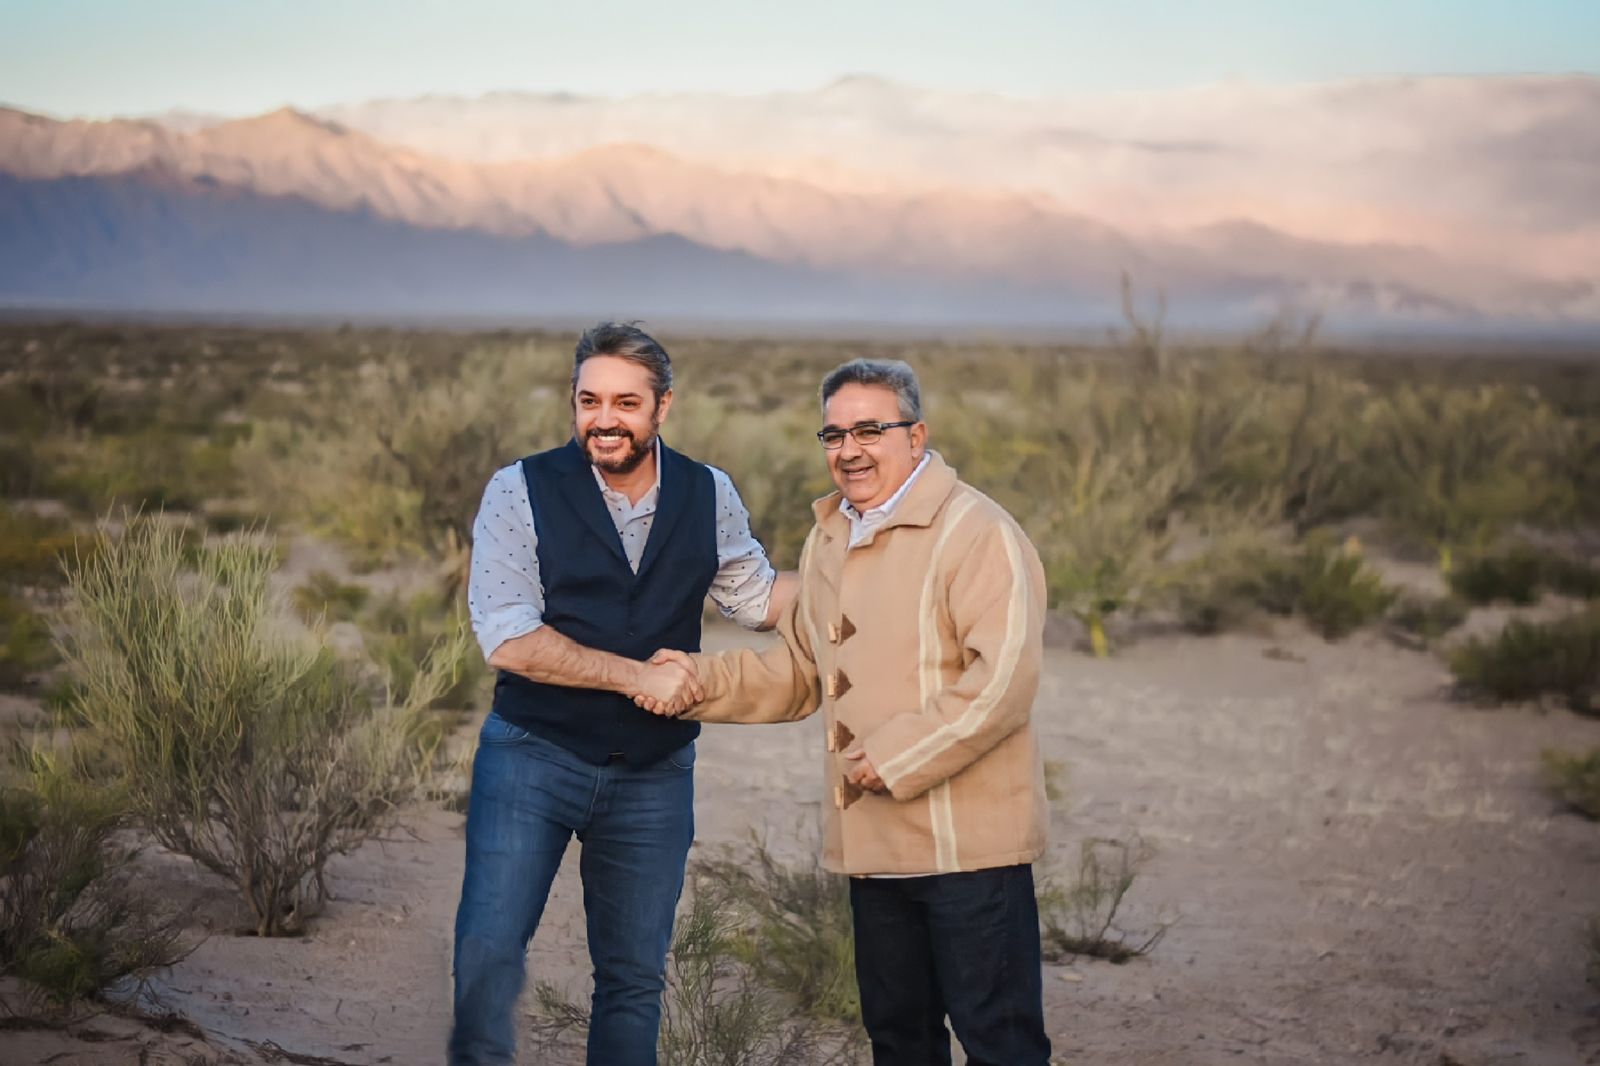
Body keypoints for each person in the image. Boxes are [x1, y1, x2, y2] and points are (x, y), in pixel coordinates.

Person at [643, 358, 1052, 1066]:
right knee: (899, 1041)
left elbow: (1004, 681)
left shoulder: (978, 532)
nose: (849, 450)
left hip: (970, 852)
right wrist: (694, 681)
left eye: (870, 429)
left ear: (916, 436)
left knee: (1001, 1044)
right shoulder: (832, 536)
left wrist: (897, 756)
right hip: (874, 852)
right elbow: (801, 672)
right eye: (833, 434)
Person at [450, 321, 796, 1066]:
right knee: (487, 959)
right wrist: (638, 676)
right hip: (532, 758)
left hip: (654, 775)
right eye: (589, 400)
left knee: (634, 981)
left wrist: (874, 565)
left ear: (662, 407)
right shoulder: (520, 489)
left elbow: (758, 598)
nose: (604, 419)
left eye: (625, 402)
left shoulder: (709, 492)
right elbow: (508, 638)